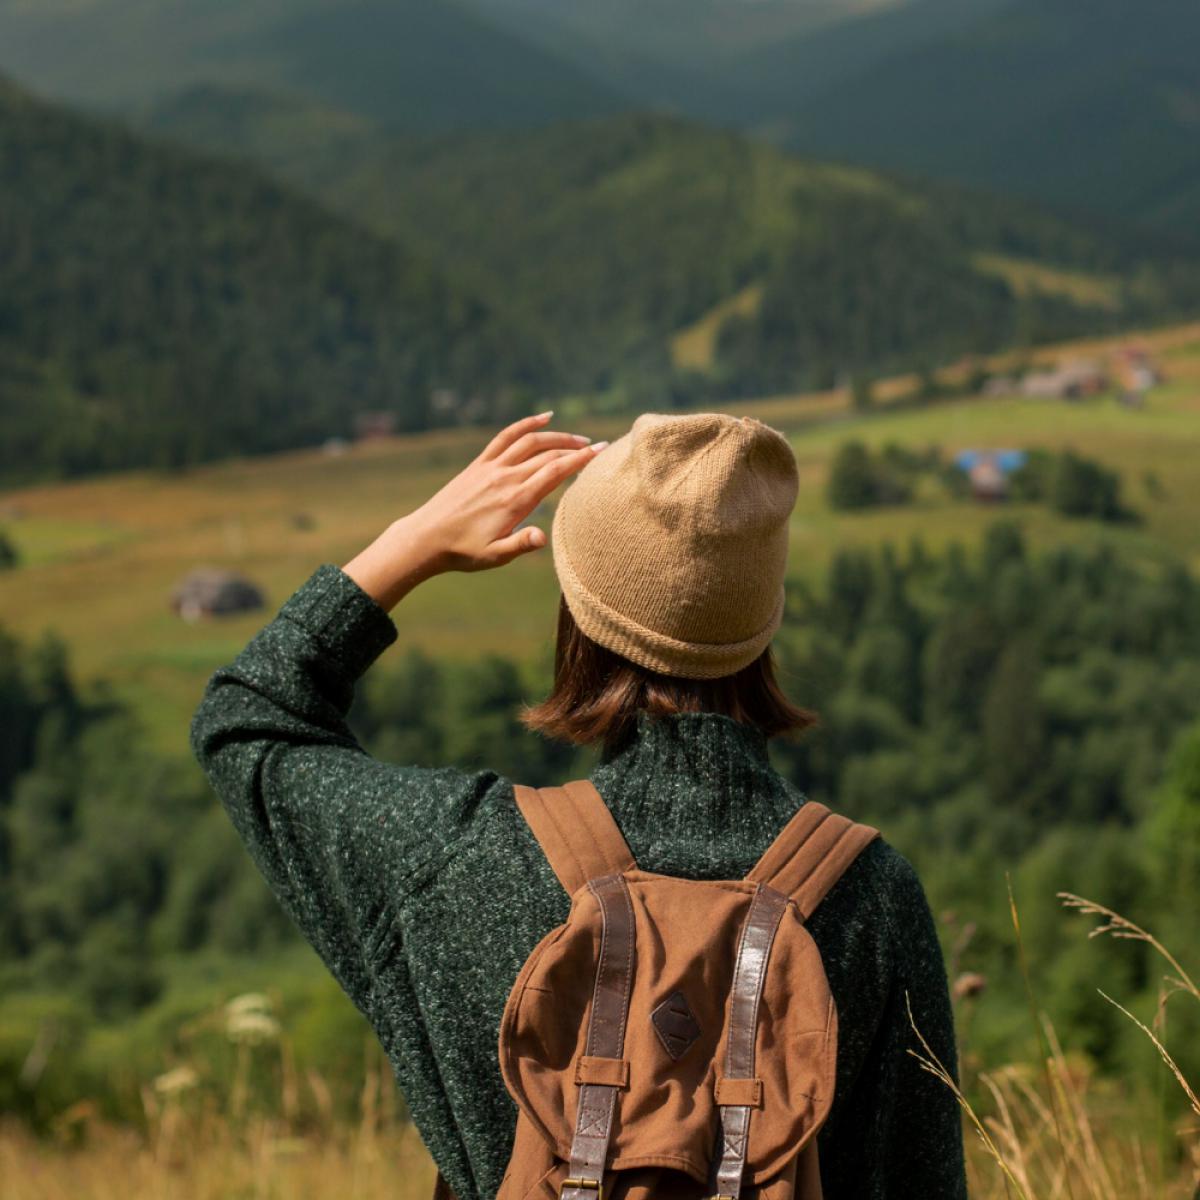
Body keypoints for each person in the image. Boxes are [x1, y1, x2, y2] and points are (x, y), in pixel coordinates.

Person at [190, 410, 968, 1199]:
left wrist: (413, 543)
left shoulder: (458, 860)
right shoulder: (871, 897)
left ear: (579, 610)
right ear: (763, 619)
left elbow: (248, 719)